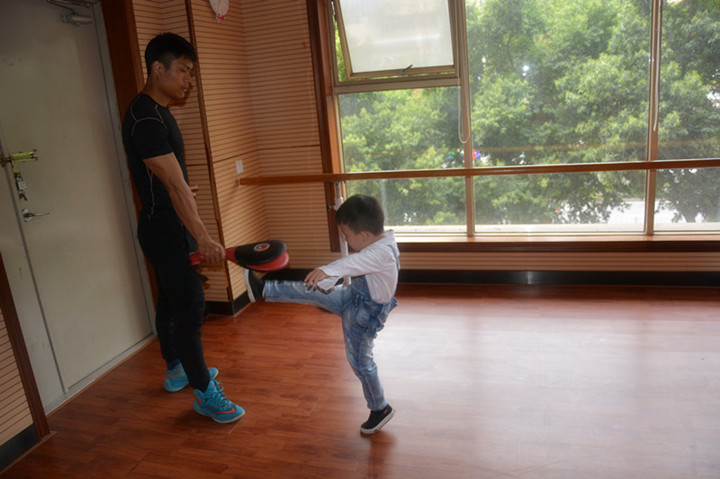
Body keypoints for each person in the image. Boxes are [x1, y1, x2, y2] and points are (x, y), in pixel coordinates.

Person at [121, 32, 243, 423]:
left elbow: (167, 179)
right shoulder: (146, 119)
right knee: (191, 305)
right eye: (184, 70)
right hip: (166, 229)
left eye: (192, 72)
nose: (189, 80)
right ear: (158, 68)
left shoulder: (156, 111)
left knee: (171, 302)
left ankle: (176, 369)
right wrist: (203, 237)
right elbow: (173, 186)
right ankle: (205, 394)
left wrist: (177, 190)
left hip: (164, 223)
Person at [244, 194, 399, 434]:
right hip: (353, 297)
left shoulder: (382, 253)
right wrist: (342, 208)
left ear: (364, 235)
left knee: (361, 362)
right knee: (314, 291)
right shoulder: (377, 242)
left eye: (346, 235)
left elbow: (354, 263)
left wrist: (327, 270)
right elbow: (357, 261)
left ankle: (380, 408)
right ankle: (264, 289)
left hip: (365, 315)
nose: (345, 239)